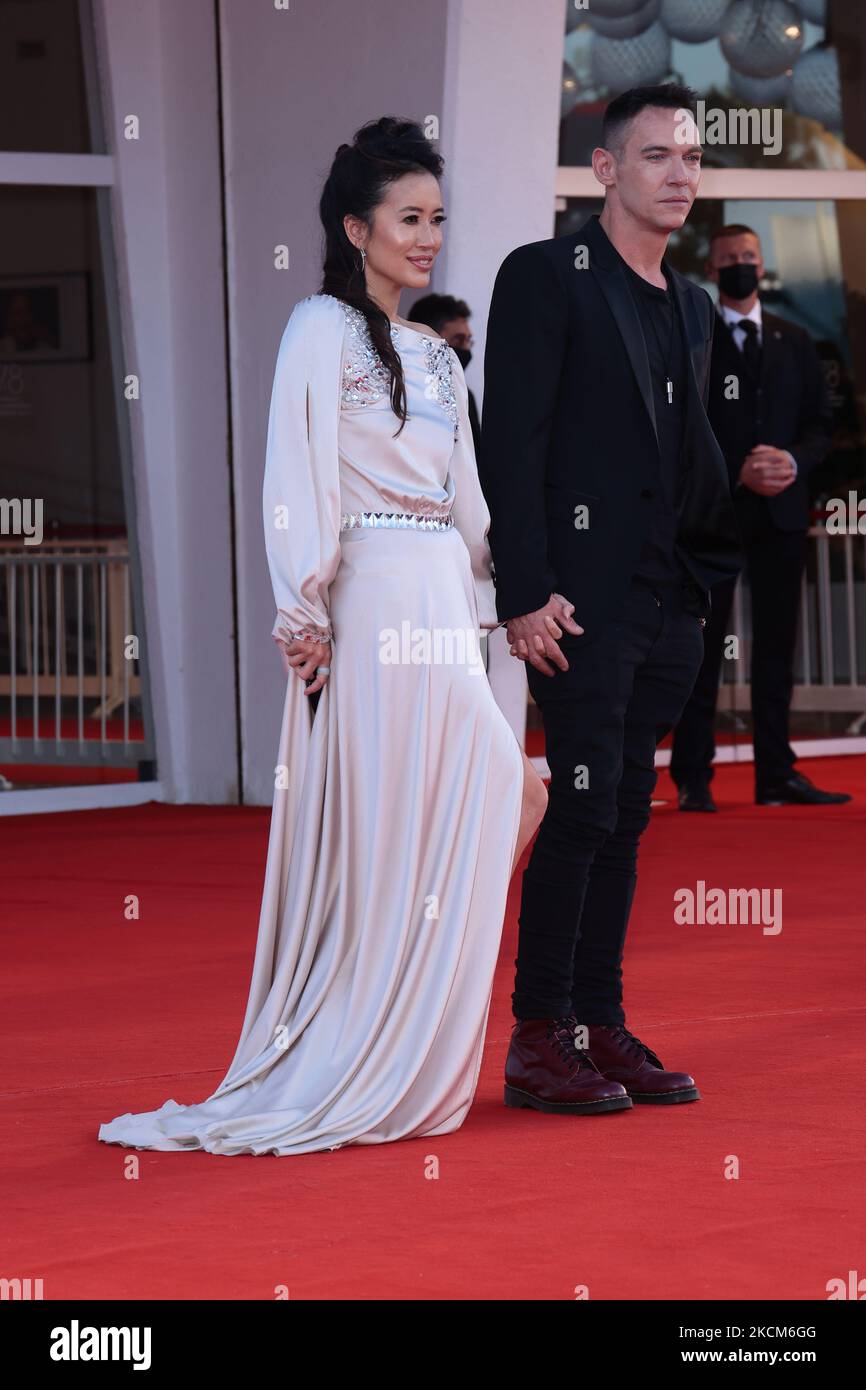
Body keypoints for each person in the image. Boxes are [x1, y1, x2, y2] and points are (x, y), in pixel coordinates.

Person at [98, 117, 548, 1157]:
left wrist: (528, 593)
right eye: (408, 218)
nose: (428, 236)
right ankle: (354, 1039)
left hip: (441, 600)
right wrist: (299, 611)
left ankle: (404, 1015)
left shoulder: (439, 356)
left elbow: (473, 510)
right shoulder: (316, 329)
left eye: (438, 218)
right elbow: (290, 478)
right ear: (356, 227)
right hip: (371, 601)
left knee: (508, 784)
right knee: (398, 818)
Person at [480, 84, 742, 1115]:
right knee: (583, 812)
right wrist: (524, 592)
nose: (678, 175)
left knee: (625, 816)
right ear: (602, 171)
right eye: (654, 157)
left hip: (663, 610)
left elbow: (687, 457)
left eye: (688, 158)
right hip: (574, 610)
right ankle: (539, 1034)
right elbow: (512, 443)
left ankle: (596, 1023)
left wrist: (700, 589)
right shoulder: (545, 277)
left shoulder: (684, 304)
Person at [670, 225, 850, 810]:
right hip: (716, 517)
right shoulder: (694, 339)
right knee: (704, 647)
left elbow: (823, 424)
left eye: (749, 257)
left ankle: (777, 775)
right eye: (730, 260)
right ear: (714, 270)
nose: (741, 266)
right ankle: (693, 778)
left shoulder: (796, 340)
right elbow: (683, 428)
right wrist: (734, 472)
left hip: (783, 516)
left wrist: (791, 460)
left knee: (778, 649)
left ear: (762, 263)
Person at [408, 293, 481, 455]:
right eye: (457, 340)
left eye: (468, 340)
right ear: (429, 339)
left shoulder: (465, 395)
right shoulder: (404, 390)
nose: (466, 349)